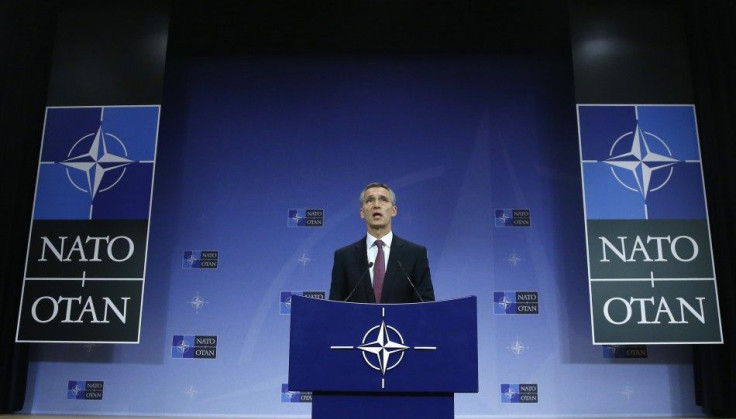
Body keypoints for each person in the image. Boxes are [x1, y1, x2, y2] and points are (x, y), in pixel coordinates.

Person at [329, 182, 435, 303]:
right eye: (369, 200)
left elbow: (426, 305)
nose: (376, 205)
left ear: (394, 211)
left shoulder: (416, 254)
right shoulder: (344, 257)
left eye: (383, 200)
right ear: (362, 212)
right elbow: (335, 307)